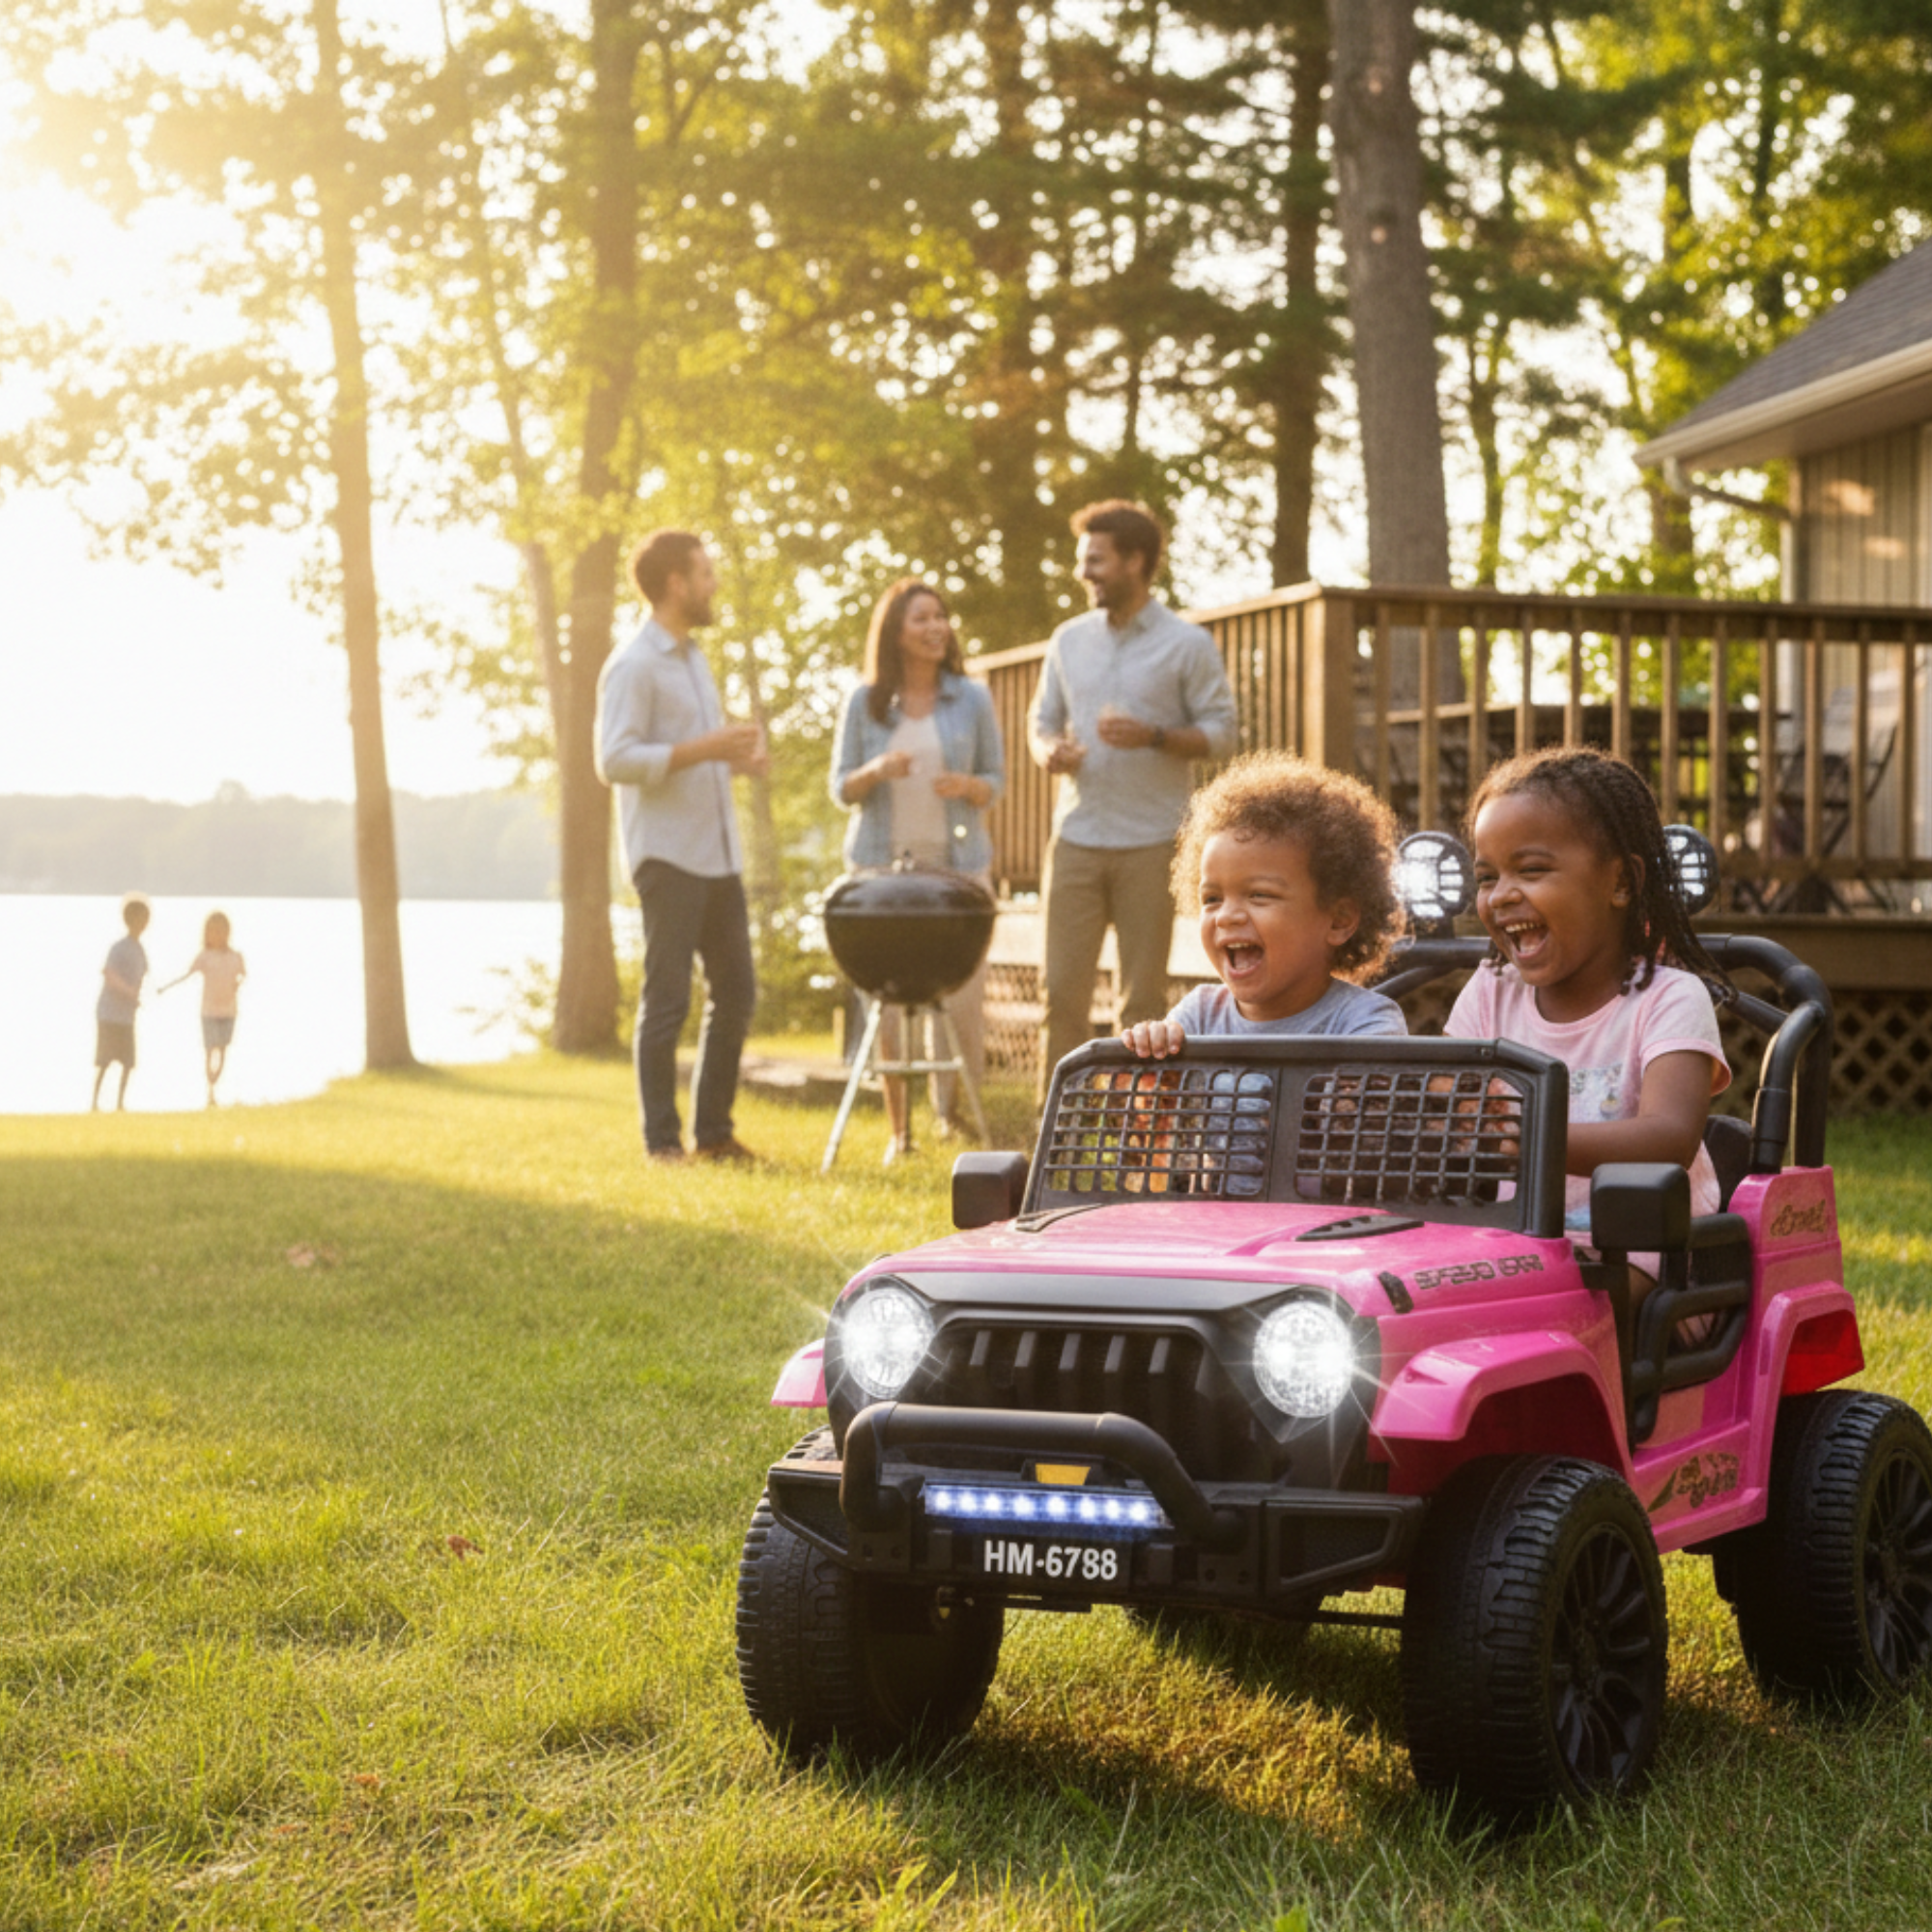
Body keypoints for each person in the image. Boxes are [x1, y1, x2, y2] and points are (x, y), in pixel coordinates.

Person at [1446, 746, 1733, 1335]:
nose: (1500, 894)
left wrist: (1531, 1140)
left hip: (1648, 1255)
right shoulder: (1490, 993)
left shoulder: (1670, 999)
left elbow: (1669, 1138)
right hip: (1511, 1241)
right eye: (1486, 877)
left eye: (1530, 870)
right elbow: (1448, 1099)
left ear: (1621, 881)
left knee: (1534, 1325)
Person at [1029, 499, 1238, 1097]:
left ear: (1134, 561)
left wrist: (1153, 735)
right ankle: (1058, 1125)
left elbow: (1224, 732)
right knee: (1060, 992)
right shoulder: (1067, 641)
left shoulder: (1187, 644)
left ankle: (1133, 1131)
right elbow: (1040, 721)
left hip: (1152, 842)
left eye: (1095, 560)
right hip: (1075, 837)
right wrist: (1048, 750)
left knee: (1142, 1001)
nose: (1083, 573)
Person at [595, 528, 768, 1165]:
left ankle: (715, 1133)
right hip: (666, 857)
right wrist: (706, 750)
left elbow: (698, 757)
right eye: (704, 573)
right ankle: (661, 1142)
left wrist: (737, 761)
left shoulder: (694, 658)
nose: (713, 583)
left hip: (718, 854)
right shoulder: (633, 663)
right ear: (676, 584)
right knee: (667, 999)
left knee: (738, 992)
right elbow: (612, 759)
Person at [833, 578, 1006, 1161]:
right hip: (880, 871)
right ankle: (898, 1133)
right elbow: (841, 788)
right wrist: (877, 769)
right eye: (921, 619)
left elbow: (996, 782)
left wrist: (969, 786)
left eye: (941, 617)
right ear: (896, 633)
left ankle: (952, 1119)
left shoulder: (972, 698)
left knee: (961, 1002)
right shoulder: (864, 702)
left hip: (956, 871)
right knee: (886, 1004)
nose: (936, 627)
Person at [1121, 753, 1407, 1056]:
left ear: (1339, 920)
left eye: (1259, 895)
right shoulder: (1198, 1017)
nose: (1226, 917)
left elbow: (1371, 1096)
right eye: (1212, 899)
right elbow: (1154, 1101)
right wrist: (1152, 1056)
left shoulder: (1365, 1024)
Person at [158, 910, 247, 1107]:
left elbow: (242, 974)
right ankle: (211, 1091)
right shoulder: (205, 957)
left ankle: (215, 1081)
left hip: (228, 1011)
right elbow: (186, 974)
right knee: (210, 1050)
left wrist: (238, 983)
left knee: (222, 1049)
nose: (217, 935)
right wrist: (165, 987)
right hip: (208, 1012)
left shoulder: (235, 957)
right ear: (207, 934)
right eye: (213, 931)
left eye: (221, 931)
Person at [92, 892, 151, 1112]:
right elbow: (109, 973)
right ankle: (95, 1102)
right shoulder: (119, 948)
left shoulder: (140, 950)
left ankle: (119, 1104)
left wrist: (142, 996)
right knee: (105, 1061)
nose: (143, 923)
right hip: (109, 1014)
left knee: (127, 1062)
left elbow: (144, 976)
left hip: (127, 1017)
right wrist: (129, 992)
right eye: (139, 918)